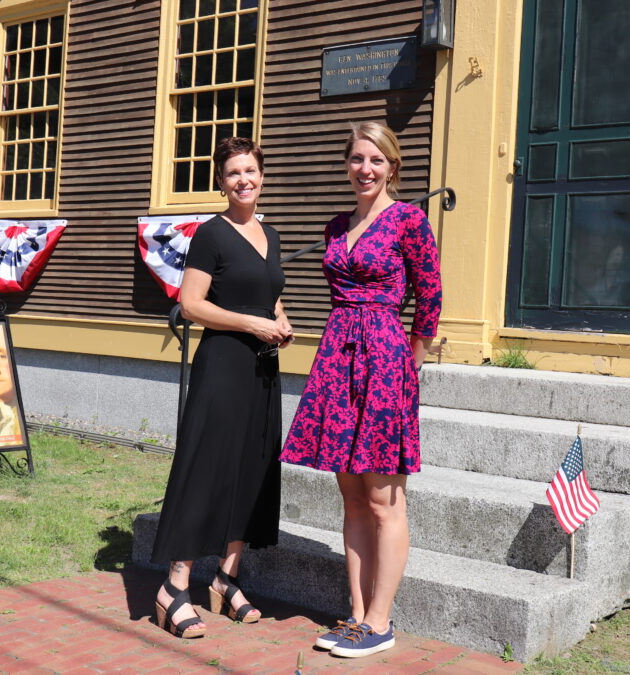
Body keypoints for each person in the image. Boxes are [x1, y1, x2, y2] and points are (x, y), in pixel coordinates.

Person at [280, 122, 442, 658]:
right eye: (355, 160)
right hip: (337, 357)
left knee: (382, 499)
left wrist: (408, 363)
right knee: (350, 494)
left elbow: (430, 297)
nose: (364, 169)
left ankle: (380, 620)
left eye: (375, 160)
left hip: (384, 358)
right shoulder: (335, 226)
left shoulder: (409, 220)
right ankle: (355, 614)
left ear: (392, 166)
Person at [150, 137, 294, 639]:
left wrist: (280, 319)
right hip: (223, 365)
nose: (243, 180)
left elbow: (268, 296)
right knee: (206, 469)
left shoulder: (270, 235)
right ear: (220, 181)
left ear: (262, 175)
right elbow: (192, 304)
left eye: (250, 170)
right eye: (233, 173)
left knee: (251, 469)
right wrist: (253, 325)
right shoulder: (210, 234)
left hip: (262, 371)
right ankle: (174, 587)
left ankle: (227, 579)